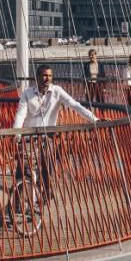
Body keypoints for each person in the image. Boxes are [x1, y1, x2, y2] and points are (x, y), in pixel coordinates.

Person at [13, 65, 99, 201]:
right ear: (37, 77)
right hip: (29, 135)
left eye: (50, 76)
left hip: (48, 136)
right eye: (45, 75)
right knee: (22, 168)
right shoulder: (27, 94)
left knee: (46, 165)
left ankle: (47, 192)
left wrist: (94, 119)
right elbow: (20, 115)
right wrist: (17, 134)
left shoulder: (57, 91)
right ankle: (16, 199)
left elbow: (74, 105)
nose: (48, 79)